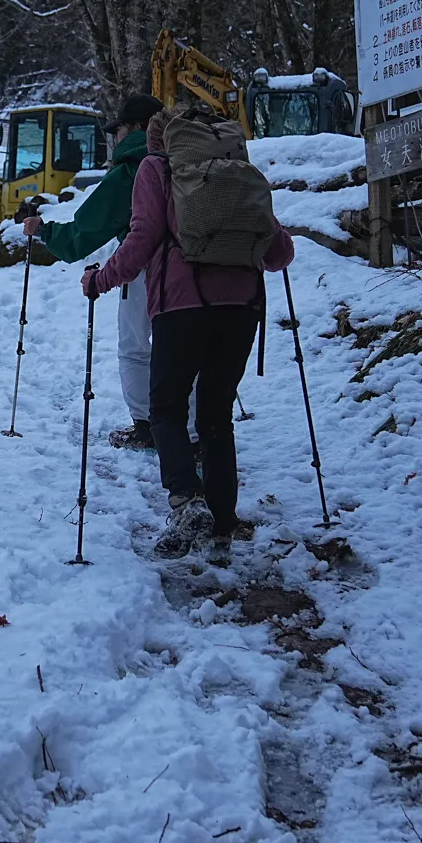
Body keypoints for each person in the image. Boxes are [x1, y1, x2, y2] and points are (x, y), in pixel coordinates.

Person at [84, 107, 294, 564]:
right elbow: (280, 253)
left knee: (167, 407)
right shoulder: (241, 173)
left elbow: (140, 240)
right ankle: (222, 523)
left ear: (162, 140)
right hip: (242, 309)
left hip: (181, 305)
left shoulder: (156, 169)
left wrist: (101, 280)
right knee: (216, 412)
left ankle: (185, 500)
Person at [22, 93, 162, 450]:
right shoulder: (189, 159)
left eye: (119, 129)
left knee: (135, 348)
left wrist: (44, 230)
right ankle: (194, 433)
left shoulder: (132, 169)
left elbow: (80, 237)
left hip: (145, 268)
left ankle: (147, 426)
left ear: (136, 128)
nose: (114, 137)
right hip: (199, 266)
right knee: (186, 351)